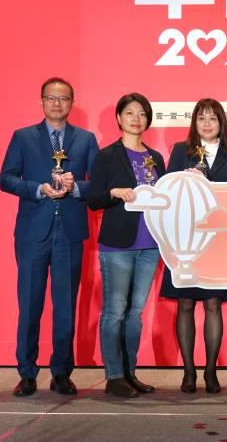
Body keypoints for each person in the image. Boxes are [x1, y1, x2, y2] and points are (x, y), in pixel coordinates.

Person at [0, 77, 99, 397]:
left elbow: (98, 182)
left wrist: (76, 187)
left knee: (65, 306)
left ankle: (61, 372)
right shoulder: (23, 137)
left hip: (69, 232)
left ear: (72, 103)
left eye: (63, 98)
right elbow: (5, 178)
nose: (57, 103)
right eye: (51, 98)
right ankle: (27, 372)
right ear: (41, 101)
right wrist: (38, 189)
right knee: (29, 304)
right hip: (33, 232)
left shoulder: (85, 139)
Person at [88, 93, 166, 398]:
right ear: (119, 118)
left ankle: (130, 372)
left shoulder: (155, 157)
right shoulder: (107, 155)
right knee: (115, 312)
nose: (136, 118)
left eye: (142, 113)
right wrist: (114, 192)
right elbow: (93, 199)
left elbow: (164, 198)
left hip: (150, 244)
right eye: (130, 113)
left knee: (135, 314)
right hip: (119, 245)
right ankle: (114, 376)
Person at [159, 98, 227, 394]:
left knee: (213, 303)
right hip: (184, 238)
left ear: (221, 123)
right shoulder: (181, 151)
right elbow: (167, 189)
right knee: (185, 303)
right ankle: (189, 371)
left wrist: (209, 184)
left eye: (212, 118)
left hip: (217, 239)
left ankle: (211, 370)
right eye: (201, 118)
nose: (207, 124)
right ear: (194, 123)